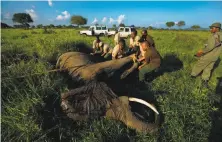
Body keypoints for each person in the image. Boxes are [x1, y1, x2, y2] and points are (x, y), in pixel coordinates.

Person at [191, 22, 222, 87]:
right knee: (208, 68)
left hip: (208, 55)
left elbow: (210, 47)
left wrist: (201, 52)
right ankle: (205, 80)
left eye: (212, 28)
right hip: (215, 56)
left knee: (199, 65)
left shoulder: (214, 36)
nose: (210, 29)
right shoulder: (221, 35)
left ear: (217, 28)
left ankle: (193, 76)